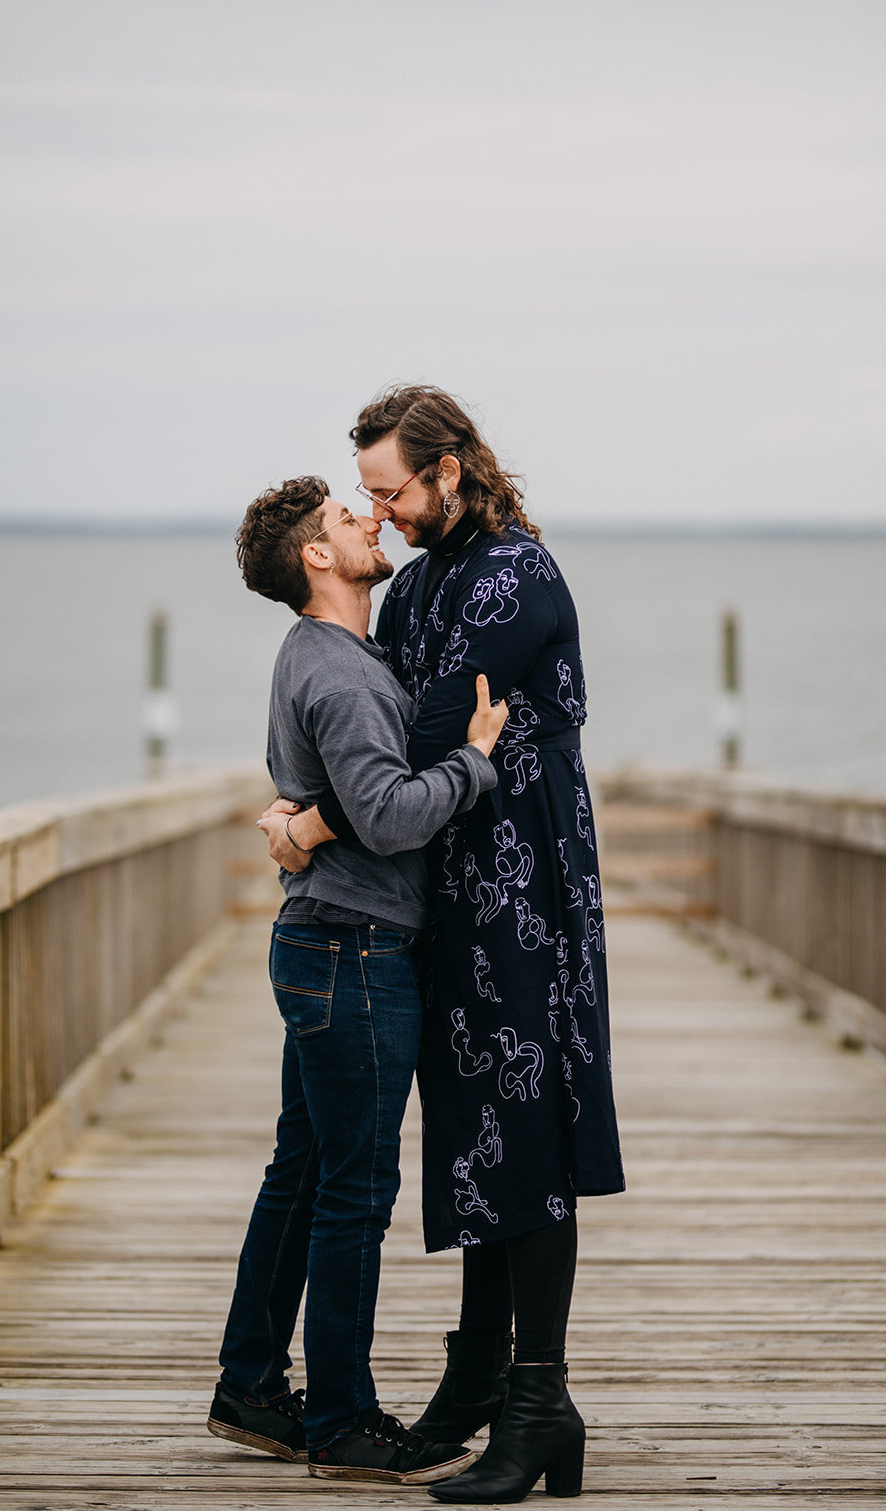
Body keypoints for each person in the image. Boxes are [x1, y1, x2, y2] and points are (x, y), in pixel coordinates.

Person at [259, 386, 625, 1504]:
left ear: (451, 467)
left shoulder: (517, 574)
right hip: (449, 886)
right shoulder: (418, 581)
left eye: (392, 491)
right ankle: (477, 1376)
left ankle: (537, 1397)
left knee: (532, 1126)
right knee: (474, 1131)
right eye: (367, 497)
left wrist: (309, 820)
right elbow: (369, 715)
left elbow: (423, 728)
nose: (387, 512)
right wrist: (317, 796)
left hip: (524, 878)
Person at [208, 475, 509, 1488]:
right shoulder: (335, 669)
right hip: (354, 952)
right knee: (353, 1192)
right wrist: (473, 762)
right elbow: (381, 813)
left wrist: (298, 823)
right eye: (348, 517)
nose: (369, 518)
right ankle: (340, 1418)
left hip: (326, 941)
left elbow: (332, 797)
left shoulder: (330, 654)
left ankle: (249, 1385)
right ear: (316, 559)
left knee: (302, 1174)